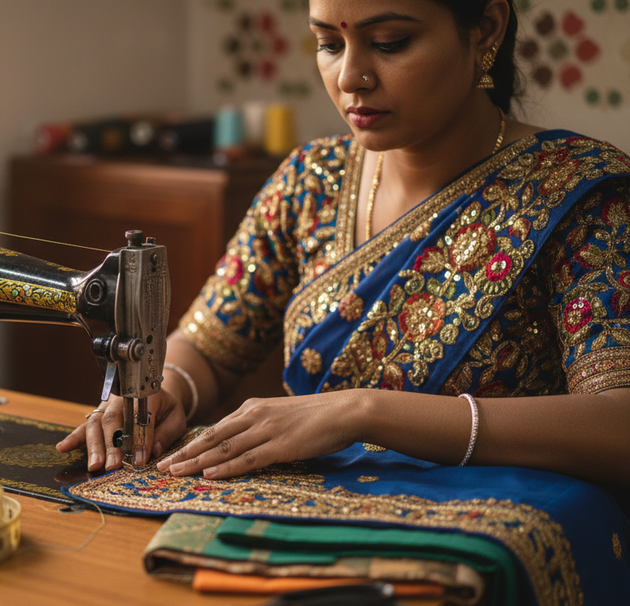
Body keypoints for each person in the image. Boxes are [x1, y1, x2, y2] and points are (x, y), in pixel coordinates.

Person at [57, 0, 630, 491]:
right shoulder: (312, 180)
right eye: (328, 44)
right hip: (311, 524)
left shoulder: (578, 194)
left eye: (390, 42)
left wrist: (366, 411)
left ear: (486, 29)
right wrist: (166, 391)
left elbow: (617, 423)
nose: (351, 76)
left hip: (486, 544)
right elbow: (209, 344)